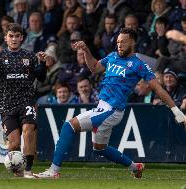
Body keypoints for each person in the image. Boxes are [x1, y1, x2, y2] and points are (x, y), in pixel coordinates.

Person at [35, 28, 186, 179]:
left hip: (111, 109)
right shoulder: (112, 56)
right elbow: (94, 68)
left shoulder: (138, 65)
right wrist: (86, 50)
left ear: (132, 42)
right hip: (104, 107)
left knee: (69, 126)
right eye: (118, 42)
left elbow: (158, 88)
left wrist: (176, 111)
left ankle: (53, 171)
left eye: (123, 42)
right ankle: (135, 167)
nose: (119, 45)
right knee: (99, 149)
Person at [0, 23, 47, 178]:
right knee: (14, 143)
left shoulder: (29, 56)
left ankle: (29, 170)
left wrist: (42, 63)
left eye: (17, 36)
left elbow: (41, 77)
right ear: (6, 38)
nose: (14, 39)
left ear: (22, 38)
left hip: (27, 101)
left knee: (28, 132)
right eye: (11, 36)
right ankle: (17, 170)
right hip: (6, 104)